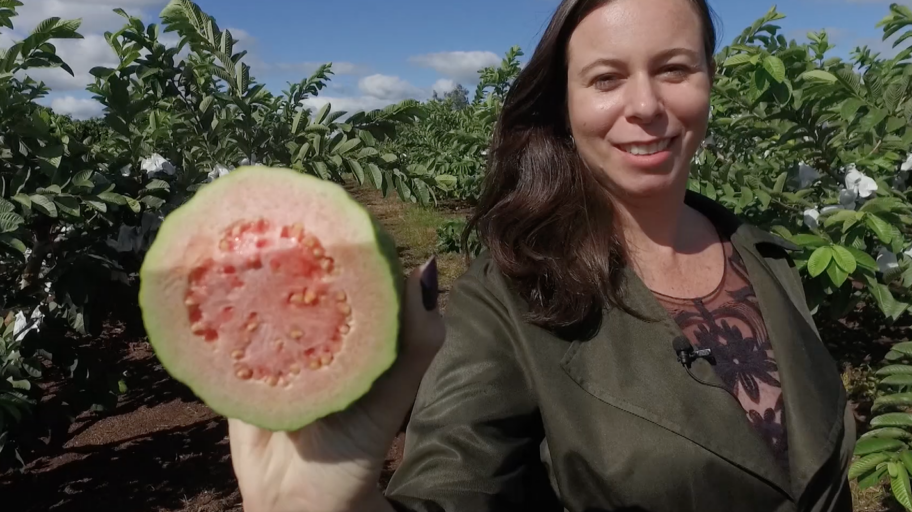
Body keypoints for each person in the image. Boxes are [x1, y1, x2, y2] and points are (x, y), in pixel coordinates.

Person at [227, 0, 857, 510]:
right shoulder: (509, 296)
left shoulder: (767, 256)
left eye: (674, 68)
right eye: (606, 78)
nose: (645, 105)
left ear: (708, 81)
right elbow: (455, 483)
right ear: (565, 104)